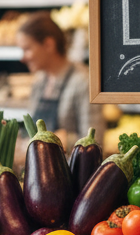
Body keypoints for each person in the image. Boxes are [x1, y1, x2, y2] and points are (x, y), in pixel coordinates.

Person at [17, 12, 104, 150]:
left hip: (69, 164)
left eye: (27, 49)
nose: (23, 58)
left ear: (49, 45)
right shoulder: (39, 82)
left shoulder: (83, 82)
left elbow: (95, 142)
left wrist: (65, 140)